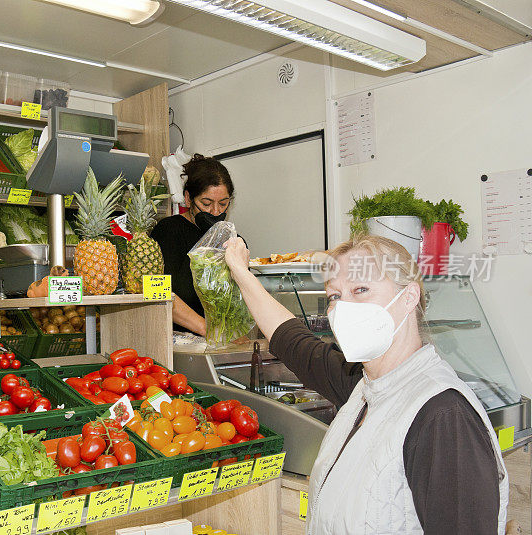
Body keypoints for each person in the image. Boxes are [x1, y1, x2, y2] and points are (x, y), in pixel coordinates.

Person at [224, 234, 508, 535]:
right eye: (334, 296)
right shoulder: (363, 386)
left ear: (409, 297)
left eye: (361, 289)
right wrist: (241, 272)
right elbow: (293, 341)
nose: (344, 308)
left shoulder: (443, 416)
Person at [151, 154, 234, 336]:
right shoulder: (169, 231)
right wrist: (208, 329)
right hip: (175, 341)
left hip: (219, 340)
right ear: (188, 199)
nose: (215, 211)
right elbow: (158, 291)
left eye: (223, 203)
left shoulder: (232, 239)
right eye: (206, 203)